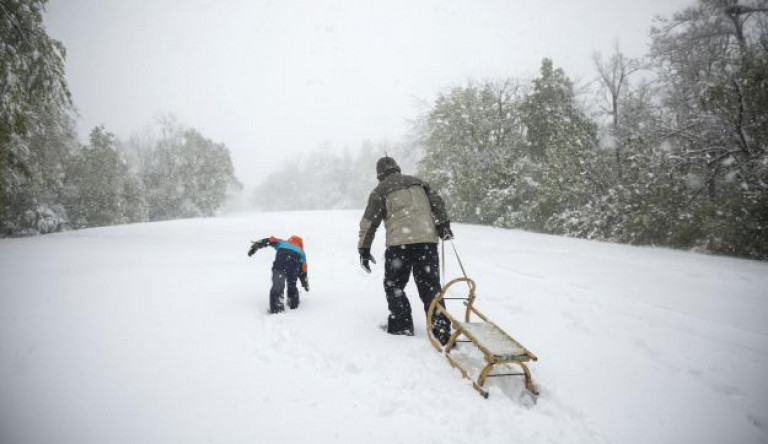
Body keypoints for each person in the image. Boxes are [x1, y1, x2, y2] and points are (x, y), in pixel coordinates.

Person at [358, 156, 454, 344]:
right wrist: (443, 225)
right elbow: (438, 203)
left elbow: (369, 223)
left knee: (394, 285)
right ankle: (441, 330)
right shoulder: (419, 183)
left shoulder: (380, 190)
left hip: (399, 244)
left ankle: (402, 326)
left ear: (379, 175)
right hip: (427, 241)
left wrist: (364, 249)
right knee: (430, 286)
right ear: (397, 168)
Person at [248, 235, 309, 314]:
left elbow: (270, 240)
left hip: (279, 266)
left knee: (277, 286)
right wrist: (305, 283)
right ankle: (293, 305)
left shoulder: (282, 242)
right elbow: (303, 270)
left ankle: (277, 309)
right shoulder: (301, 252)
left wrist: (256, 245)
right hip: (293, 269)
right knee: (292, 286)